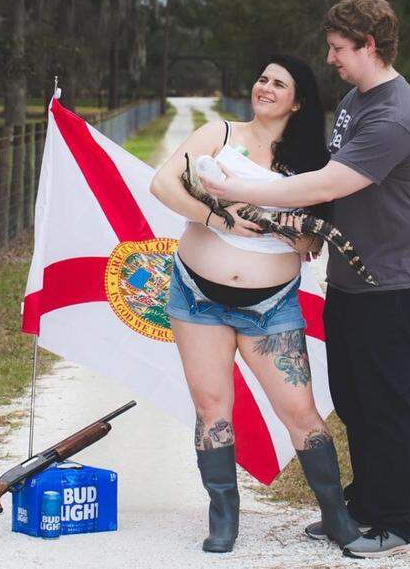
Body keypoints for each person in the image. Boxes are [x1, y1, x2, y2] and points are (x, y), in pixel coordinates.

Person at [202, 0, 410, 558]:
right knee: (353, 400)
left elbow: (329, 182)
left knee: (385, 404)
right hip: (352, 280)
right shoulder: (358, 99)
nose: (330, 59)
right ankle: (362, 507)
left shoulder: (395, 116)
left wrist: (239, 189)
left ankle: (394, 522)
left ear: (368, 46)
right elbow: (331, 186)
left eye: (338, 48)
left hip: (392, 284)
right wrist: (306, 232)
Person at [149, 54, 362, 553]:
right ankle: (223, 516)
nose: (265, 87)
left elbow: (311, 240)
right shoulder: (219, 135)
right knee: (212, 407)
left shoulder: (312, 163)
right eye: (262, 79)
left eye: (279, 84)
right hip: (197, 298)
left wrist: (289, 231)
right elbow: (162, 184)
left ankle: (336, 515)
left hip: (271, 308)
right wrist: (217, 218)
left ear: (298, 101)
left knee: (301, 412)